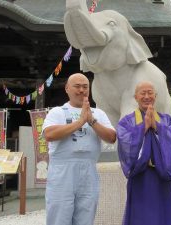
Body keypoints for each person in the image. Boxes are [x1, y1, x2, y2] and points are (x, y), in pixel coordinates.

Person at [42, 73, 116, 225]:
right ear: (67, 88)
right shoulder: (57, 112)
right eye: (77, 86)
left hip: (89, 169)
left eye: (85, 87)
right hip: (63, 170)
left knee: (86, 216)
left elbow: (112, 137)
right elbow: (49, 134)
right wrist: (80, 121)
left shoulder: (98, 113)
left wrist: (91, 121)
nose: (81, 90)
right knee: (59, 216)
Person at [117, 81, 171, 225]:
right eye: (143, 93)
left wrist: (158, 127)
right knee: (141, 218)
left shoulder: (165, 120)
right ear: (135, 97)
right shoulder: (127, 121)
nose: (147, 96)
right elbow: (124, 143)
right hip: (141, 178)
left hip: (162, 176)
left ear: (155, 96)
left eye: (150, 92)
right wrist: (143, 128)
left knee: (164, 216)